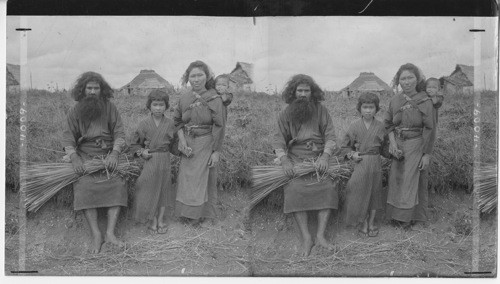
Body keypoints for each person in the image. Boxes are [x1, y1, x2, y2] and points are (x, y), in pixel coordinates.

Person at [62, 71, 127, 253]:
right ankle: (96, 235)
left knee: (117, 183)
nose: (92, 91)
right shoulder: (75, 111)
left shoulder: (110, 108)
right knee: (83, 185)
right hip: (85, 155)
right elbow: (68, 139)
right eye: (88, 88)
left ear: (101, 90)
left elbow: (120, 134)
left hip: (107, 155)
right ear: (82, 90)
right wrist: (74, 157)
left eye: (96, 88)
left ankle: (110, 234)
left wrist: (114, 154)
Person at [273, 74, 338, 257]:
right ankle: (307, 238)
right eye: (299, 90)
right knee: (294, 188)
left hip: (318, 159)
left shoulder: (322, 111)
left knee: (328, 187)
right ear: (293, 93)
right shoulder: (285, 114)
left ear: (312, 92)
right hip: (296, 159)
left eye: (306, 91)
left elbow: (331, 137)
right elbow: (278, 141)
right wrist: (285, 160)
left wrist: (325, 157)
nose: (302, 94)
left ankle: (320, 236)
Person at [384, 63, 435, 230]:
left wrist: (426, 154)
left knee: (411, 181)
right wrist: (392, 143)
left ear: (417, 79)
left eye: (410, 77)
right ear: (398, 81)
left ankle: (411, 219)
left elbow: (430, 128)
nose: (406, 82)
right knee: (396, 180)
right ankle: (396, 217)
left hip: (416, 144)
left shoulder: (425, 100)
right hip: (398, 144)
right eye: (402, 78)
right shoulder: (395, 100)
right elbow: (388, 124)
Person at [174, 60, 225, 224]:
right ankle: (186, 212)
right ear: (187, 78)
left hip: (205, 142)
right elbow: (177, 121)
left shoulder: (215, 98)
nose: (196, 79)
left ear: (207, 76)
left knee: (201, 179)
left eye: (199, 75)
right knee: (186, 179)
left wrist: (216, 151)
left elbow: (220, 125)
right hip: (187, 143)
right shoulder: (184, 98)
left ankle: (199, 215)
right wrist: (182, 141)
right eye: (192, 76)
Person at [130, 89, 178, 234]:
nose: (158, 108)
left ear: (166, 106)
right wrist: (141, 152)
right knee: (147, 187)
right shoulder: (144, 124)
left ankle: (161, 219)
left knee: (163, 190)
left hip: (164, 160)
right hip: (150, 160)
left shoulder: (170, 124)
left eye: (161, 105)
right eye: (155, 105)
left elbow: (174, 145)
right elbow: (134, 143)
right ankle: (152, 220)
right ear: (149, 106)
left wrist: (183, 149)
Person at [341, 92, 386, 237]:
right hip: (360, 162)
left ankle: (372, 222)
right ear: (359, 108)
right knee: (357, 189)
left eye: (371, 107)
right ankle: (363, 221)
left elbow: (385, 147)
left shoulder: (380, 126)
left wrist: (394, 152)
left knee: (375, 193)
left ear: (376, 109)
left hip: (375, 162)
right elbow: (344, 147)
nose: (368, 110)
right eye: (365, 107)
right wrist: (352, 154)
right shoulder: (354, 126)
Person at [425, 77, 444, 148]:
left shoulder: (439, 97)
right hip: (425, 119)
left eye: (434, 87)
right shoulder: (424, 96)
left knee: (432, 133)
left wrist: (433, 96)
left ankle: (430, 146)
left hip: (433, 120)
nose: (431, 89)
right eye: (429, 87)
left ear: (438, 89)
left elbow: (436, 103)